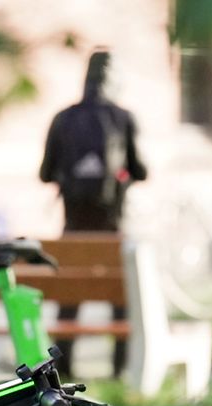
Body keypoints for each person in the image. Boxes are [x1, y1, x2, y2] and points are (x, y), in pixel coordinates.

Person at [39, 50, 147, 377]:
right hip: (112, 226)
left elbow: (45, 173)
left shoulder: (63, 118)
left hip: (74, 227)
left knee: (69, 295)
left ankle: (63, 364)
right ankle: (119, 366)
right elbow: (140, 170)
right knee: (119, 294)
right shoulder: (123, 118)